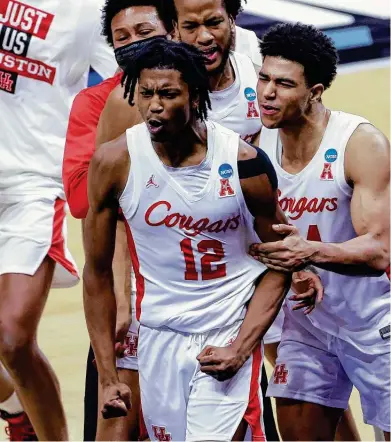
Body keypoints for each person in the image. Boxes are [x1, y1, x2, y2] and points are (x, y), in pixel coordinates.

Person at [83, 37, 316, 441]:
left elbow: (283, 259)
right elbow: (97, 273)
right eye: (146, 93)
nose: (154, 105)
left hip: (225, 333)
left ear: (195, 95)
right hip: (158, 338)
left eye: (168, 94)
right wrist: (107, 375)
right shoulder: (113, 163)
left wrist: (241, 348)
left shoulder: (244, 164)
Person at [249, 22, 390, 441]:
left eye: (284, 84)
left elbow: (379, 251)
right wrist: (295, 268)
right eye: (263, 78)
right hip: (306, 327)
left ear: (316, 90)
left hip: (375, 322)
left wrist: (307, 253)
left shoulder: (360, 144)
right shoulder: (256, 146)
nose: (268, 92)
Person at [0, 0, 116, 439]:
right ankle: (18, 407)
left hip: (32, 181)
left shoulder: (89, 9)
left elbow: (131, 78)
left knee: (11, 335)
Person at [63, 1, 173, 439]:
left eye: (144, 31)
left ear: (171, 30)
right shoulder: (96, 102)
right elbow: (80, 199)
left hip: (211, 286)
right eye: (121, 37)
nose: (132, 43)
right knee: (118, 423)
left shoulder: (212, 93)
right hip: (131, 288)